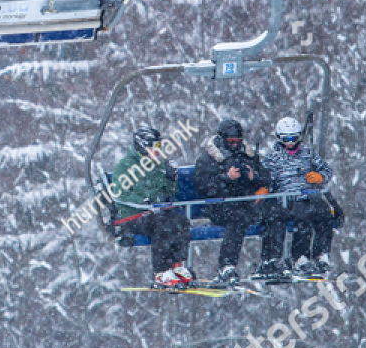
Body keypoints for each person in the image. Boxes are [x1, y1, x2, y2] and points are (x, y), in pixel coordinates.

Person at [112, 123, 192, 287]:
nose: (158, 150)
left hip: (153, 213)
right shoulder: (125, 166)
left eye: (159, 146)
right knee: (162, 225)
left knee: (180, 222)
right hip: (132, 216)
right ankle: (161, 271)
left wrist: (170, 178)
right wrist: (143, 201)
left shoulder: (157, 164)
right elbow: (120, 194)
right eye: (154, 146)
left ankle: (177, 265)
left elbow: (168, 192)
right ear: (142, 146)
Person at [193, 118, 272, 284]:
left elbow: (266, 177)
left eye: (238, 141)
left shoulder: (248, 155)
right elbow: (203, 186)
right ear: (222, 139)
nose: (235, 145)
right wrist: (226, 178)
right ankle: (226, 266)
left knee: (276, 212)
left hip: (246, 203)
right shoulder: (209, 159)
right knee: (238, 219)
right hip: (220, 205)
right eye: (231, 141)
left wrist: (253, 176)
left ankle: (270, 261)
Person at [261, 117, 338, 276]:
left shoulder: (308, 153)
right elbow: (267, 181)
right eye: (286, 139)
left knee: (324, 214)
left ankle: (320, 255)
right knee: (303, 216)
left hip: (309, 196)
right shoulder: (273, 158)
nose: (290, 143)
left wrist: (320, 177)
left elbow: (327, 170)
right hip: (288, 200)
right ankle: (299, 257)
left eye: (293, 139)